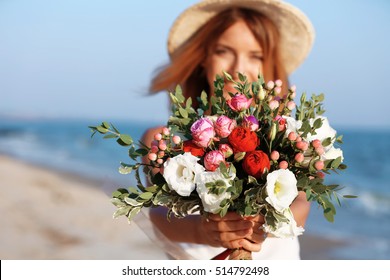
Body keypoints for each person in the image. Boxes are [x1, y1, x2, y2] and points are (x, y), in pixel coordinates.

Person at [141, 0, 315, 260]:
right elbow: (157, 215)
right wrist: (203, 231)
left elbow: (302, 205)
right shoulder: (162, 140)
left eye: (255, 56)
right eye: (224, 51)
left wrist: (261, 225)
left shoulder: (291, 138)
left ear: (269, 66)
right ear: (204, 58)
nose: (238, 68)